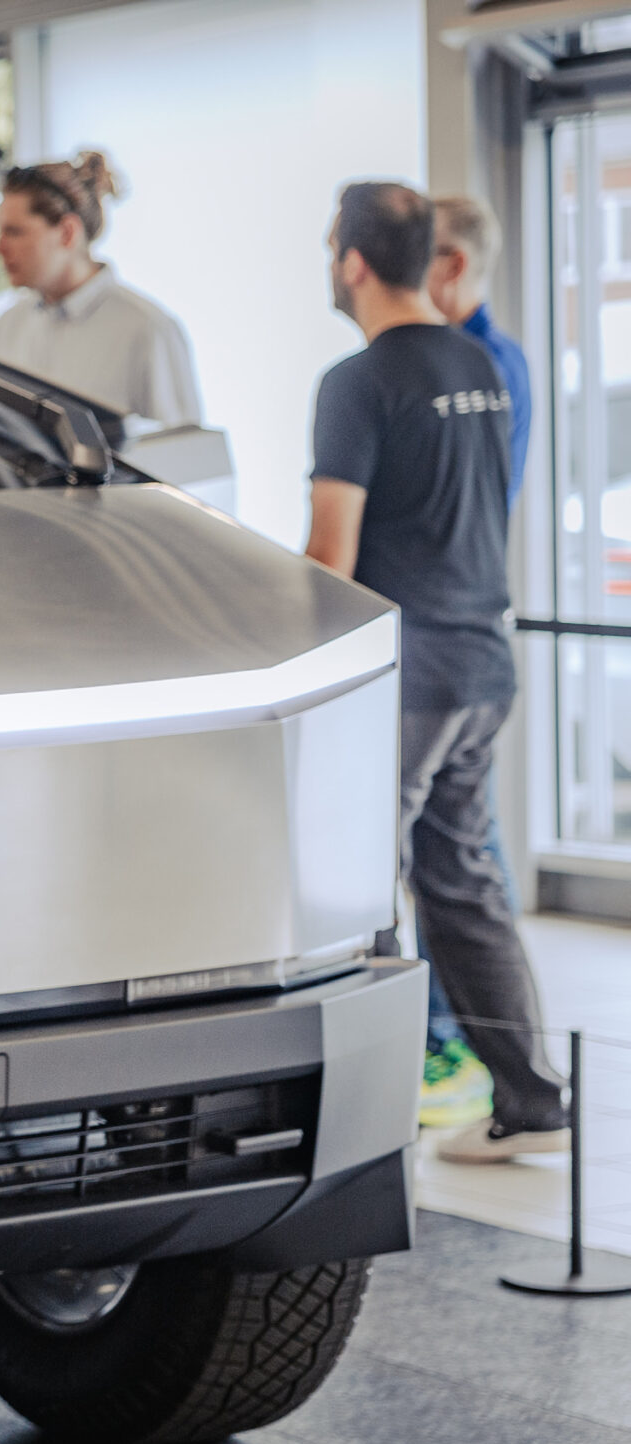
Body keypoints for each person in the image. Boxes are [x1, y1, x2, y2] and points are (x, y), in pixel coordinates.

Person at [304, 180, 570, 1164]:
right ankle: (533, 1101)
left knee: (353, 888)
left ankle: (358, 1125)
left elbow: (329, 555)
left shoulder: (356, 382)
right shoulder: (485, 364)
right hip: (479, 666)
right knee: (461, 884)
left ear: (353, 262)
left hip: (405, 679)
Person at [414, 194, 531, 1127]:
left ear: (449, 267)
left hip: (446, 646)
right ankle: (507, 1075)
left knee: (450, 864)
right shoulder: (478, 362)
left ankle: (444, 1042)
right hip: (469, 645)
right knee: (460, 860)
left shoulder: (481, 365)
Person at [0, 151, 204, 435]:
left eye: (14, 232)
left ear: (67, 232)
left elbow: (184, 458)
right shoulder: (9, 325)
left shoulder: (147, 329)